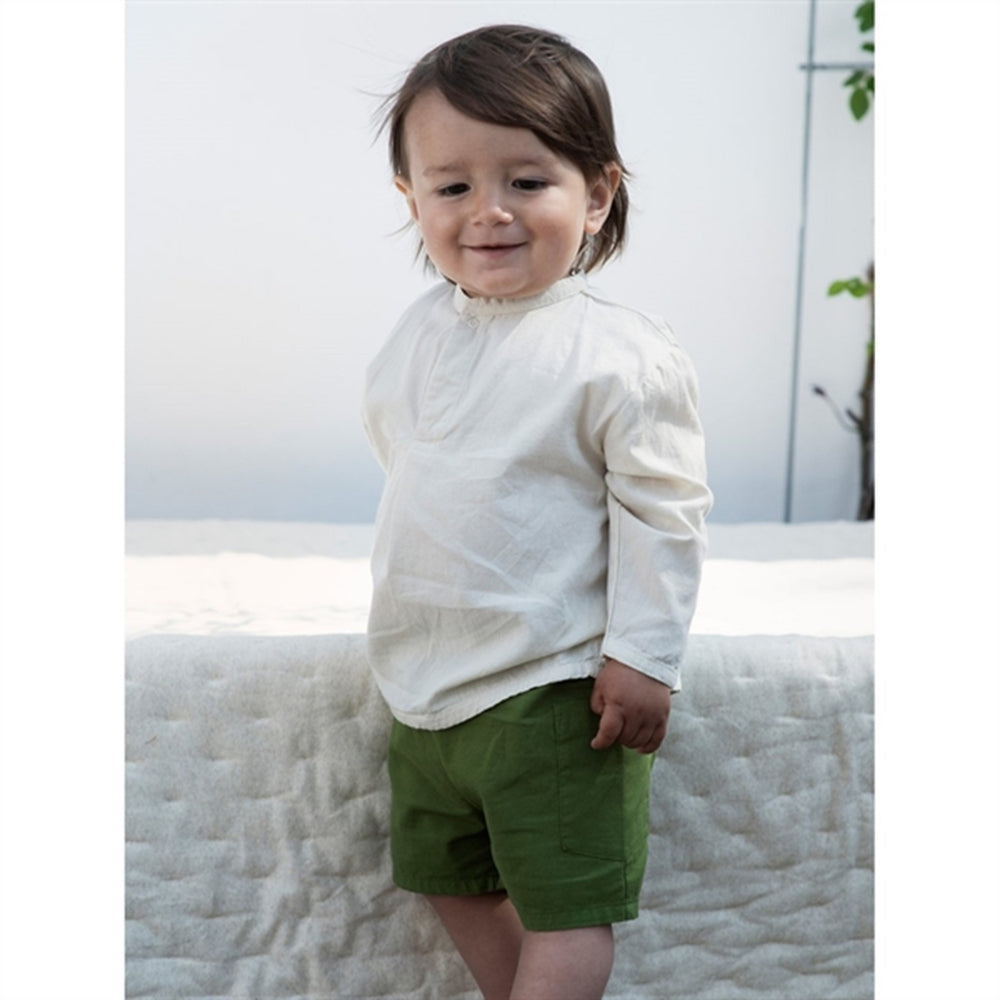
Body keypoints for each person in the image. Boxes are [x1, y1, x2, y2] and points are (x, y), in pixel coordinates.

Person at [362, 24, 712, 1000]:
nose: (489, 211)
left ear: (595, 193)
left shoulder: (619, 353)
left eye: (526, 180)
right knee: (448, 876)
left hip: (552, 689)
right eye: (452, 187)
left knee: (565, 908)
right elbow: (407, 458)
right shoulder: (420, 331)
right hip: (425, 686)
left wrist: (644, 653)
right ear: (411, 199)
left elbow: (664, 512)